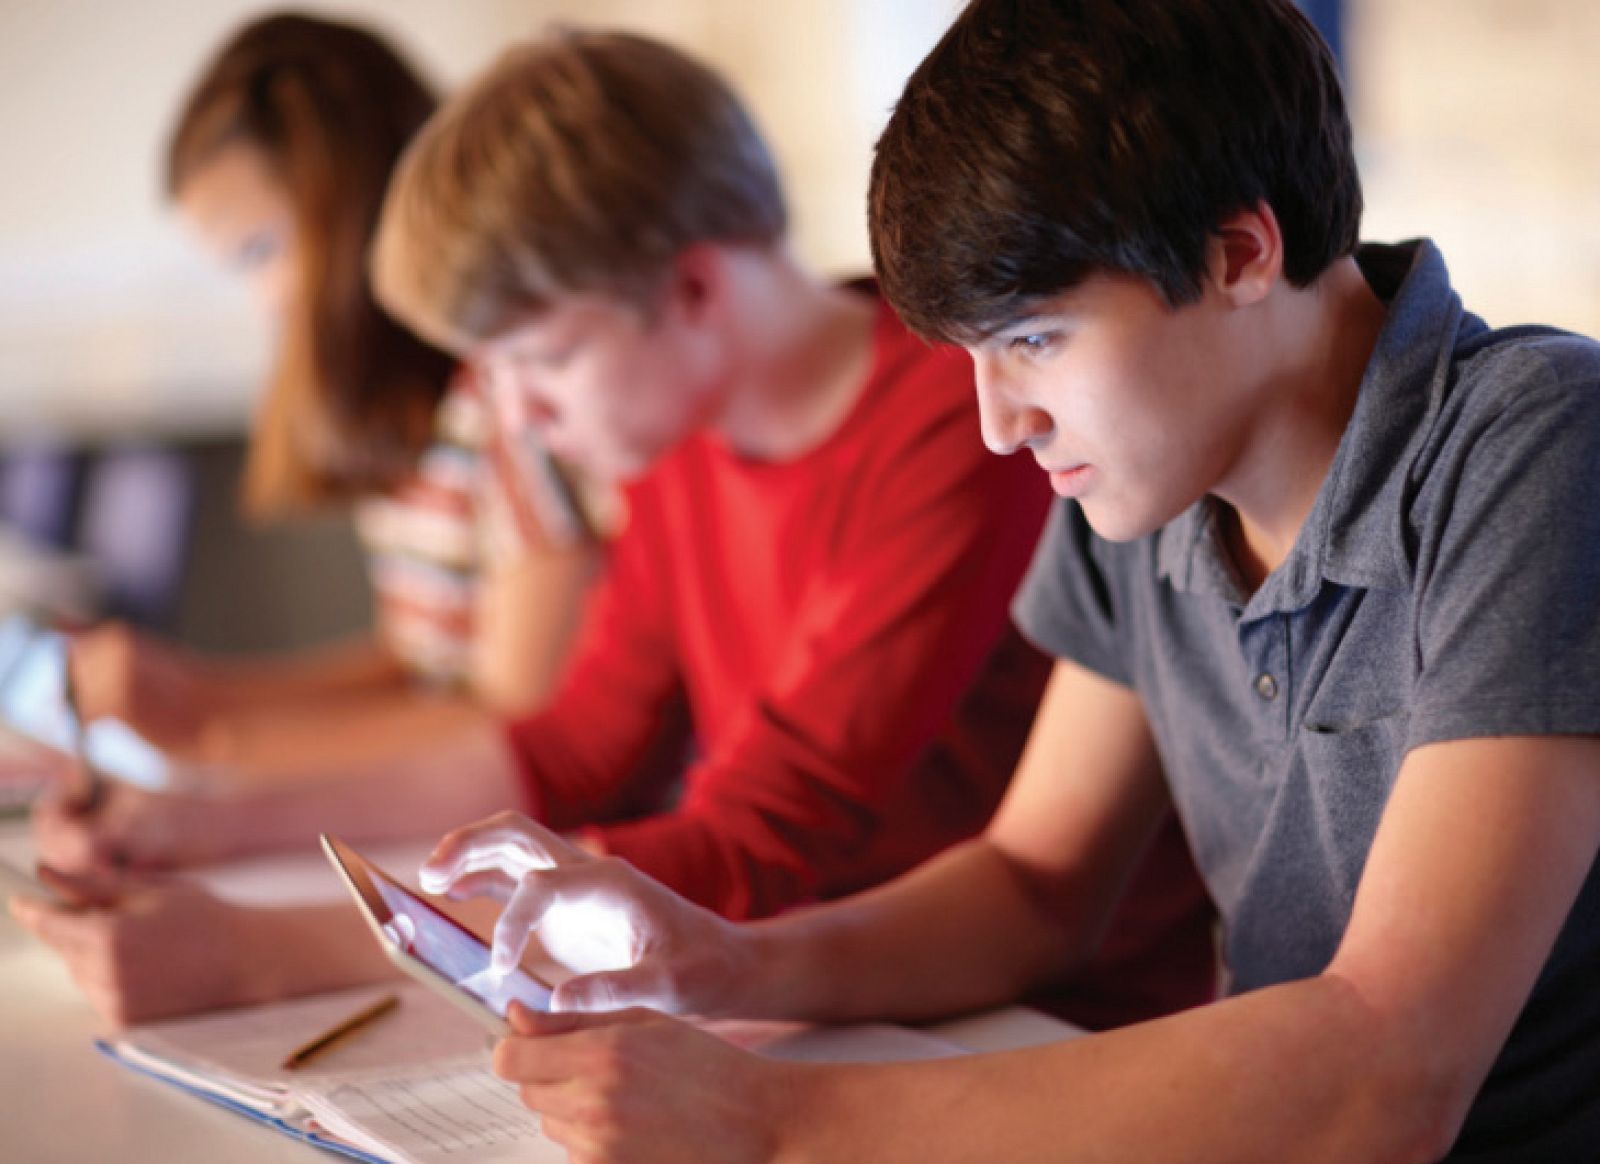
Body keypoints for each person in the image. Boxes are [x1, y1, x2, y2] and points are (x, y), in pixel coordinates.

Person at [404, 2, 1600, 1161]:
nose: (996, 424)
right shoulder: (1142, 488)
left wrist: (771, 1126)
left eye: (1031, 339)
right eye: (972, 358)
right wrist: (721, 961)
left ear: (1238, 254)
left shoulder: (1537, 445)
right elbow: (1032, 885)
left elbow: (1389, 1073)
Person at [13, 28, 1215, 1031]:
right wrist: (193, 824)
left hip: (1029, 1018)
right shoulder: (678, 435)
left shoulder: (949, 422)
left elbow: (761, 830)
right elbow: (577, 747)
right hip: (820, 995)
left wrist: (268, 954)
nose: (520, 417)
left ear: (693, 290)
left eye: (541, 362)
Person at [32, 12, 607, 846]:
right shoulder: (418, 419)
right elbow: (418, 659)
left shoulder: (512, 402)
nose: (261, 299)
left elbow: (511, 707)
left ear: (350, 221)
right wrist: (195, 696)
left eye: (261, 250)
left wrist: (215, 742)